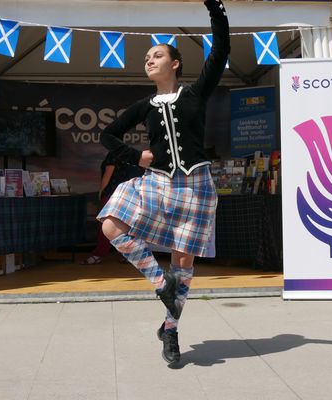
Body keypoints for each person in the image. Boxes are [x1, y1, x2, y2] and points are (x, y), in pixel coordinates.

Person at [97, 0, 230, 365]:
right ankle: (160, 283)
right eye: (146, 57)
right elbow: (108, 135)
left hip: (197, 183)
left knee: (184, 259)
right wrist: (135, 157)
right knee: (110, 225)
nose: (149, 60)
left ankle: (170, 330)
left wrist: (215, 10)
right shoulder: (144, 105)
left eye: (156, 56)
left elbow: (221, 50)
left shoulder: (195, 93)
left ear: (175, 63)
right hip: (155, 182)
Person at [81, 152, 143, 265]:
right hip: (128, 194)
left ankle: (99, 254)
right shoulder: (131, 155)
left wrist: (101, 190)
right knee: (125, 226)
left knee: (106, 225)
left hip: (112, 193)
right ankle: (128, 255)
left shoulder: (113, 155)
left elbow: (108, 175)